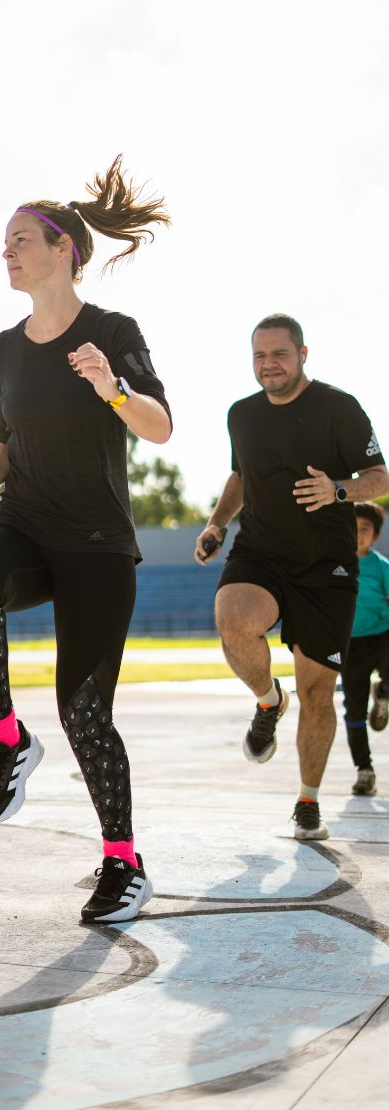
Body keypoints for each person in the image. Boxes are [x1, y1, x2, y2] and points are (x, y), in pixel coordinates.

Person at [0, 156, 172, 923]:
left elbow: (159, 427)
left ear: (64, 248)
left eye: (20, 239)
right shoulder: (2, 350)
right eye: (4, 242)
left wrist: (112, 387)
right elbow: (7, 441)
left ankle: (124, 863)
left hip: (98, 547)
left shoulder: (112, 332)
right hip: (26, 524)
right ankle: (7, 741)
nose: (6, 252)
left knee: (84, 712)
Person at [195, 314, 389, 839]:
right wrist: (217, 524)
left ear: (303, 354)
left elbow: (379, 477)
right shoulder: (242, 415)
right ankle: (268, 700)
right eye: (259, 356)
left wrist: (339, 490)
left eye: (279, 354)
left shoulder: (340, 408)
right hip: (260, 551)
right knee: (233, 618)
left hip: (327, 566)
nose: (269, 365)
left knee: (318, 691)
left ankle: (308, 800)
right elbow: (241, 476)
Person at [340, 502, 389, 796]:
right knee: (354, 710)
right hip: (350, 644)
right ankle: (364, 770)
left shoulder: (381, 566)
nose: (358, 534)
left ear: (375, 537)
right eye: (353, 528)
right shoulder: (334, 564)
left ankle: (383, 694)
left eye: (365, 529)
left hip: (383, 635)